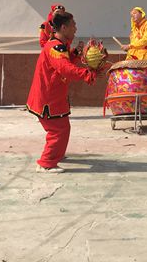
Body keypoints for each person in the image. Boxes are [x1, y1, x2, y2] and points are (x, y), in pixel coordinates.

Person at [27, 11, 96, 173]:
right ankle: (46, 163)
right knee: (58, 130)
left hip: (53, 96)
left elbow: (64, 61)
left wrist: (76, 53)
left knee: (61, 128)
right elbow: (64, 68)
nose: (76, 28)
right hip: (48, 99)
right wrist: (86, 74)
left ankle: (55, 154)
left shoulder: (57, 45)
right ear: (64, 27)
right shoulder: (54, 47)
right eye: (73, 25)